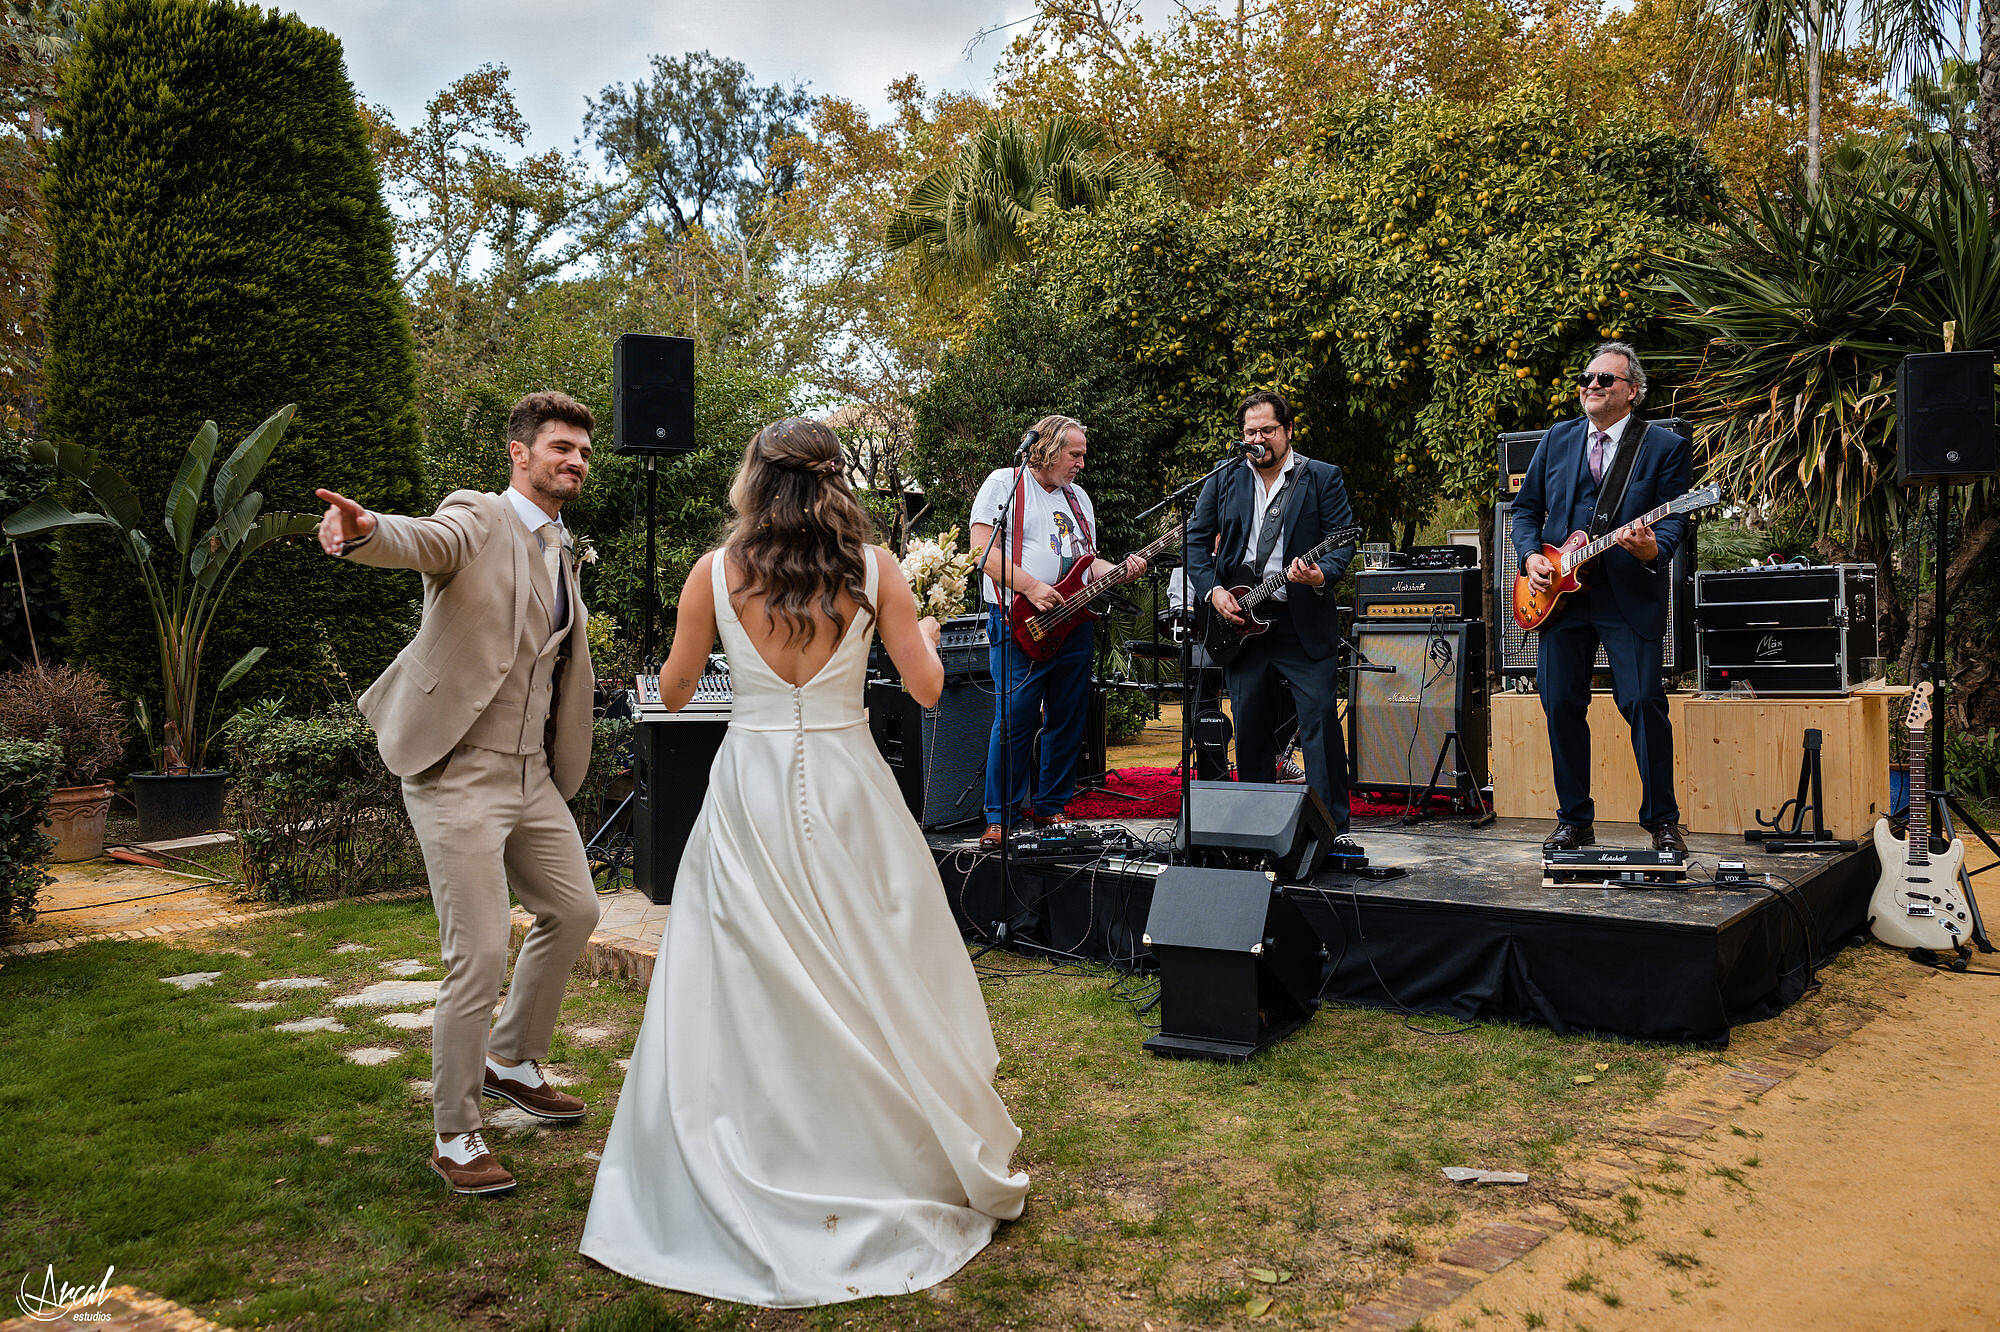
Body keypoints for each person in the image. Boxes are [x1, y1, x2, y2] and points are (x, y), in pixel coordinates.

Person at [580, 418, 1029, 1307]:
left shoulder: (713, 573)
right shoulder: (876, 570)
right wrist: (927, 632)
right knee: (871, 960)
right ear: (836, 480)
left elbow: (672, 692)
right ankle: (879, 1144)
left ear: (754, 477)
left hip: (748, 787)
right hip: (849, 784)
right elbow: (930, 688)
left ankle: (761, 1137)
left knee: (745, 969)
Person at [314, 390, 602, 1198]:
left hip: (530, 775)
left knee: (575, 910)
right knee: (476, 951)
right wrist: (366, 531)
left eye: (582, 450)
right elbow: (423, 540)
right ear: (519, 453)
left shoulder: (561, 549)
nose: (574, 460)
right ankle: (456, 1131)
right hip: (457, 771)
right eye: (559, 448)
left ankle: (510, 1058)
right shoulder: (478, 515)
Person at [1510, 341, 1693, 854]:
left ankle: (1662, 821)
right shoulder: (1558, 438)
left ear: (1632, 391)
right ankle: (1574, 820)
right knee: (1560, 704)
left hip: (1625, 595)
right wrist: (1531, 558)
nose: (1591, 385)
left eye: (1604, 379)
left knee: (1642, 702)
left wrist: (1653, 546)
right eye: (1587, 377)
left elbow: (1677, 515)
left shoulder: (1662, 446)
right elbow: (1525, 510)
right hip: (1559, 596)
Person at [1186, 390, 1360, 852]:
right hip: (1240, 623)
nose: (1257, 439)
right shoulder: (1224, 480)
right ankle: (1256, 829)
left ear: (1286, 431)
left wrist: (1322, 573)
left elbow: (1342, 543)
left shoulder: (1321, 477)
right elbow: (1195, 545)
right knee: (1249, 726)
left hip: (1300, 621)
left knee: (1320, 720)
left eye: (1266, 430)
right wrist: (1213, 591)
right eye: (1249, 432)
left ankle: (1333, 833)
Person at [968, 415, 1146, 849]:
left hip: (1074, 624)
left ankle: (1051, 807)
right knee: (1016, 719)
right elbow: (980, 551)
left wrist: (1121, 571)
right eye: (1075, 454)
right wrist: (1030, 586)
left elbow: (1089, 564)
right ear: (1047, 450)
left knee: (1068, 718)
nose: (1082, 463)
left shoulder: (1079, 499)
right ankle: (1001, 816)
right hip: (1017, 621)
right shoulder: (1004, 483)